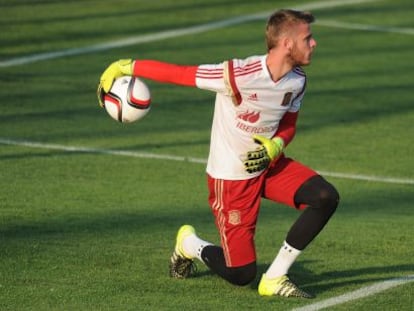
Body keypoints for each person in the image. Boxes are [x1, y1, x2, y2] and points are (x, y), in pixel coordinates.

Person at [97, 9, 339, 298]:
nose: (314, 44)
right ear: (287, 44)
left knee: (325, 197)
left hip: (269, 167)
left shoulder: (297, 81)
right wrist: (128, 66)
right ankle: (190, 244)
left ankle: (275, 277)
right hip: (231, 179)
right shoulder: (238, 75)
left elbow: (289, 125)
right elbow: (182, 75)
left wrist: (276, 145)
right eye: (307, 38)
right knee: (241, 274)